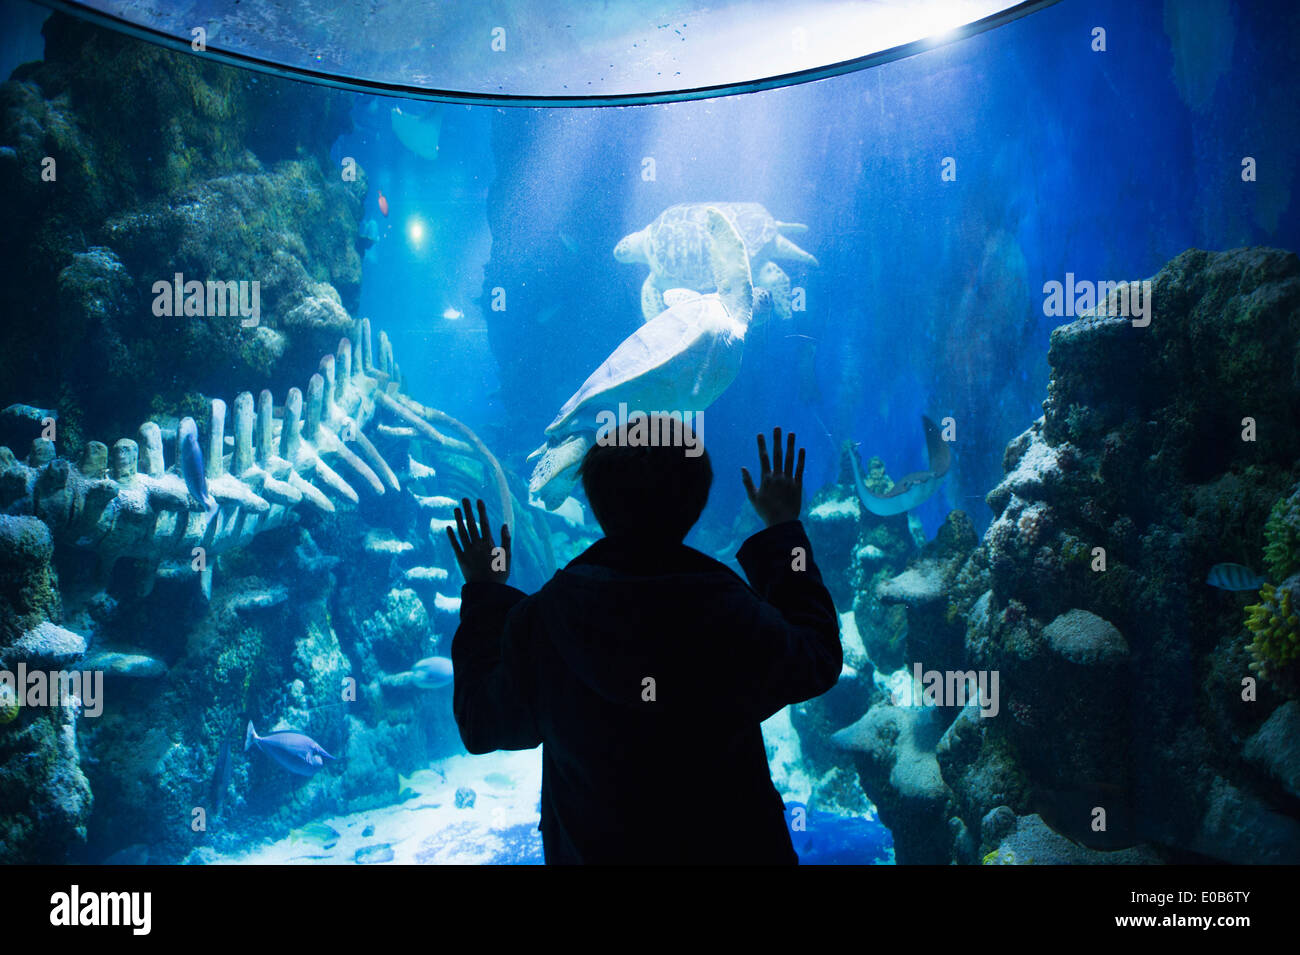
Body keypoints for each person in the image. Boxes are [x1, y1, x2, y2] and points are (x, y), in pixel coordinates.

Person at [447, 420, 841, 864]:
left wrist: (484, 593)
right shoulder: (730, 610)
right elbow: (818, 658)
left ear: (595, 503)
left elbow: (482, 724)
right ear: (698, 499)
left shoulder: (541, 622)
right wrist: (783, 532)